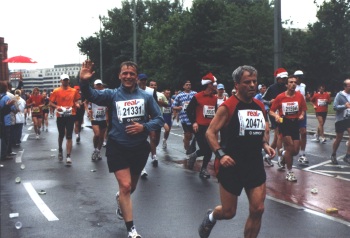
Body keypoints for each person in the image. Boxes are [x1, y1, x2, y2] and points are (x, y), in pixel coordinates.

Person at [79, 60, 164, 238]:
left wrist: (144, 127)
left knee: (131, 187)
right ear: (119, 75)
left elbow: (159, 118)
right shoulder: (112, 95)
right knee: (125, 186)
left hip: (139, 148)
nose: (128, 76)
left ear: (136, 76)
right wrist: (84, 82)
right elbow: (92, 96)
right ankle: (131, 230)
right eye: (124, 73)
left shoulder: (146, 97)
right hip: (117, 146)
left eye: (131, 73)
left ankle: (120, 199)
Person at [198, 65, 275, 238]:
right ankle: (211, 217)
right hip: (231, 165)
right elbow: (210, 133)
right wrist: (220, 154)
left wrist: (265, 145)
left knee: (258, 209)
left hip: (254, 164)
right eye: (247, 82)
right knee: (228, 212)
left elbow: (260, 131)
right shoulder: (228, 106)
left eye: (254, 81)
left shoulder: (259, 106)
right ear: (237, 84)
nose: (252, 85)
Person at [269, 75, 307, 182]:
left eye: (295, 82)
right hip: (284, 123)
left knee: (295, 151)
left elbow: (303, 109)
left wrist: (302, 115)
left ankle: (283, 153)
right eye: (291, 82)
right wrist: (276, 116)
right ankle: (289, 172)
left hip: (295, 123)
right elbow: (271, 111)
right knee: (290, 146)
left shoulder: (299, 96)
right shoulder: (280, 97)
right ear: (287, 84)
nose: (293, 84)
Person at [186, 72, 218, 179]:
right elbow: (189, 110)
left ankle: (203, 169)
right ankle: (194, 155)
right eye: (214, 84)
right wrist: (194, 122)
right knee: (205, 149)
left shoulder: (214, 98)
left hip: (210, 128)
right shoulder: (197, 96)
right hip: (199, 127)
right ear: (209, 84)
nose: (216, 86)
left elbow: (216, 112)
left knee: (209, 149)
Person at [49, 74, 81, 165]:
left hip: (71, 114)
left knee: (69, 135)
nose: (65, 81)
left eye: (67, 80)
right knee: (61, 134)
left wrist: (78, 104)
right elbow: (50, 102)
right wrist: (57, 106)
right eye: (64, 80)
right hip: (60, 115)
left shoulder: (74, 91)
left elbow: (77, 100)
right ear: (61, 81)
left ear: (69, 81)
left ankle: (68, 156)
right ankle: (60, 149)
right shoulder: (56, 91)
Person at [262, 68, 288, 167]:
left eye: (285, 78)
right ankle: (280, 159)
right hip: (274, 114)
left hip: (285, 114)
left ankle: (268, 155)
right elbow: (262, 99)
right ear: (278, 79)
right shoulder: (271, 88)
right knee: (279, 135)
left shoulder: (286, 88)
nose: (284, 80)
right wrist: (269, 102)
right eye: (283, 78)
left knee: (278, 138)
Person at [137, 73, 158, 177]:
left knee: (153, 137)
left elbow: (155, 105)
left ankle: (154, 155)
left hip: (149, 120)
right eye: (141, 80)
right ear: (137, 80)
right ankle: (142, 168)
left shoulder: (151, 91)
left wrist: (152, 116)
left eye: (144, 80)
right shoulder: (133, 90)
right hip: (138, 121)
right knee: (141, 143)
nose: (143, 82)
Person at [172, 80, 197, 157]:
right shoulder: (179, 95)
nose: (188, 86)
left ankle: (187, 143)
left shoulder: (195, 94)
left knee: (193, 136)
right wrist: (178, 107)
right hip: (184, 118)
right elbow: (173, 106)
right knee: (188, 135)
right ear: (183, 86)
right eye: (186, 85)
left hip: (193, 118)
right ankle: (188, 151)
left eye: (189, 84)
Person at [330, 79, 350, 165]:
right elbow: (335, 107)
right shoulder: (339, 95)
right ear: (345, 86)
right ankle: (333, 154)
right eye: (349, 85)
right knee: (339, 138)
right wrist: (344, 106)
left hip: (349, 119)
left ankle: (347, 155)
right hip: (341, 119)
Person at [149, 80, 169, 166]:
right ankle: (154, 156)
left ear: (157, 87)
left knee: (156, 140)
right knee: (152, 138)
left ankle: (153, 149)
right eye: (151, 85)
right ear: (149, 86)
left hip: (158, 119)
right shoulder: (146, 94)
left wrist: (162, 103)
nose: (153, 86)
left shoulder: (161, 95)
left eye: (155, 85)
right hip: (149, 119)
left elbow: (167, 104)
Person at [87, 79, 108, 161]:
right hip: (94, 117)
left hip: (103, 118)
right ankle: (95, 149)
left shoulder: (106, 94)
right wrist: (87, 110)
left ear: (102, 85)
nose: (99, 86)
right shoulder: (92, 94)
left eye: (100, 85)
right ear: (94, 86)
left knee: (102, 137)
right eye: (97, 85)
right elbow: (85, 102)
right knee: (97, 134)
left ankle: (98, 151)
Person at [0, 81, 17, 161]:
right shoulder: (6, 98)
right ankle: (4, 154)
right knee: (5, 138)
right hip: (5, 121)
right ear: (5, 88)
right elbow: (13, 109)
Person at [294, 70, 308, 164]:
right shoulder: (291, 85)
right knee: (292, 134)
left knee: (303, 132)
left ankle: (302, 154)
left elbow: (305, 97)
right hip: (293, 112)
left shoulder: (304, 86)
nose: (300, 79)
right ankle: (288, 151)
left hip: (302, 111)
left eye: (301, 77)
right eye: (299, 77)